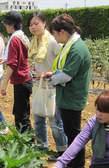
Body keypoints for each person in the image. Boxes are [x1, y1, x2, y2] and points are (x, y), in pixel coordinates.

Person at [43, 13, 91, 167]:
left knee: (74, 135)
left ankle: (77, 164)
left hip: (72, 98)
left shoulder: (76, 49)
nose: (55, 38)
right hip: (68, 97)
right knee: (72, 133)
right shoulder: (71, 45)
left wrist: (52, 79)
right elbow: (65, 71)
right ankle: (74, 163)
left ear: (62, 32)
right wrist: (55, 73)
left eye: (55, 35)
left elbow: (67, 76)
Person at [27, 11, 68, 160]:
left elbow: (62, 66)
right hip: (38, 85)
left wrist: (44, 72)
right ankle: (42, 145)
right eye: (31, 24)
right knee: (38, 116)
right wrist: (34, 70)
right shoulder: (34, 42)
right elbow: (39, 62)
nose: (33, 27)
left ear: (44, 23)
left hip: (52, 86)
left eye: (36, 23)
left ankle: (62, 150)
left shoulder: (51, 42)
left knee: (54, 120)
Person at [52, 90, 109, 168]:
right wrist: (60, 163)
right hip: (99, 164)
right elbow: (78, 141)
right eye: (98, 109)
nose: (98, 114)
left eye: (103, 111)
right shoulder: (94, 122)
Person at [0, 11, 33, 133]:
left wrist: (4, 83)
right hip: (26, 78)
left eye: (6, 24)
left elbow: (13, 64)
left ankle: (26, 143)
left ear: (12, 24)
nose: (5, 26)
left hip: (20, 80)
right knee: (22, 111)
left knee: (21, 115)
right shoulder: (22, 36)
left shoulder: (14, 39)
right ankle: (26, 140)